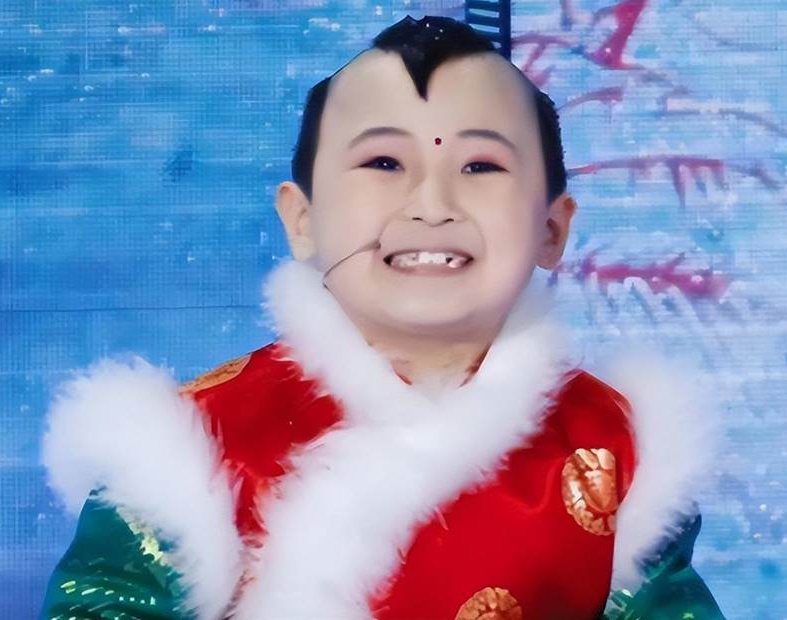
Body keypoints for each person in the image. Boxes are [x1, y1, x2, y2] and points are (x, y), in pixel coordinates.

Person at [39, 14, 726, 619]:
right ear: (302, 220)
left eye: (481, 166)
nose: (431, 205)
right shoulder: (190, 449)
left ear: (552, 229)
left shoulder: (615, 450)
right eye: (384, 161)